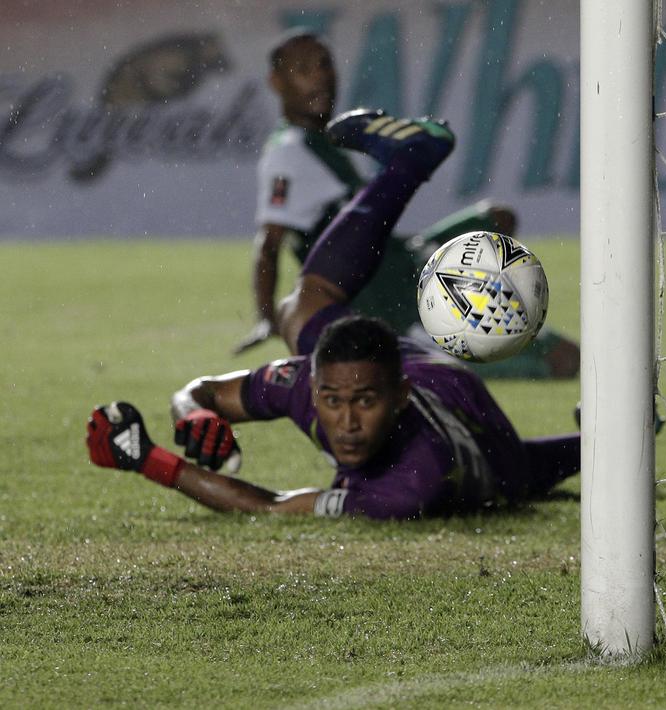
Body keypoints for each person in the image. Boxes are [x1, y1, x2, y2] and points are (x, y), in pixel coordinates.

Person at [86, 110, 581, 519]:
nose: (345, 423)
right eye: (331, 400)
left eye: (363, 403)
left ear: (397, 397)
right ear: (311, 383)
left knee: (520, 475)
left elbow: (273, 507)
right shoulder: (301, 383)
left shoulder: (407, 486)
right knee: (301, 307)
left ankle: (605, 436)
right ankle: (411, 160)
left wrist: (148, 460)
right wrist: (193, 415)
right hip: (401, 365)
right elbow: (203, 391)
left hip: (457, 400)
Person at [238, 29, 579, 379]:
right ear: (276, 82)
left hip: (406, 264)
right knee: (566, 360)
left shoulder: (324, 141)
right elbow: (270, 242)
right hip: (390, 305)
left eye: (325, 65)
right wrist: (266, 316)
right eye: (303, 69)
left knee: (497, 218)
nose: (320, 77)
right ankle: (449, 337)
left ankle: (476, 302)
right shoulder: (288, 152)